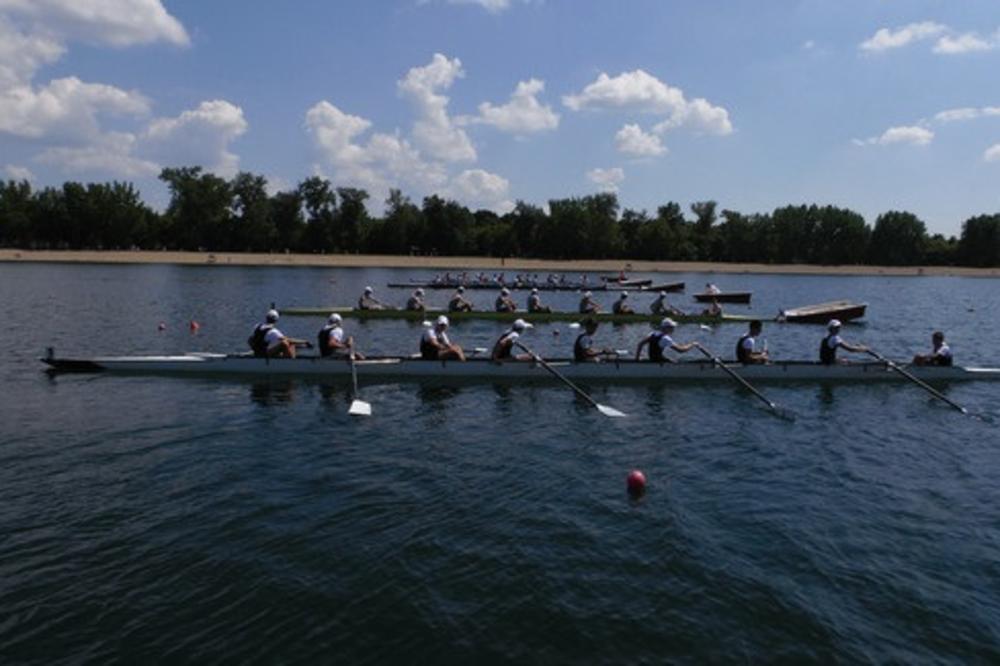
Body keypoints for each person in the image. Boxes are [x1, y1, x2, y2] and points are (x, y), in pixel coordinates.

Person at [634, 318, 701, 363]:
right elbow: (680, 350)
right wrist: (693, 344)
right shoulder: (665, 338)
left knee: (672, 360)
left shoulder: (652, 334)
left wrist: (637, 359)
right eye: (672, 327)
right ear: (666, 328)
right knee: (673, 362)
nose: (673, 329)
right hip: (658, 362)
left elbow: (640, 344)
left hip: (652, 360)